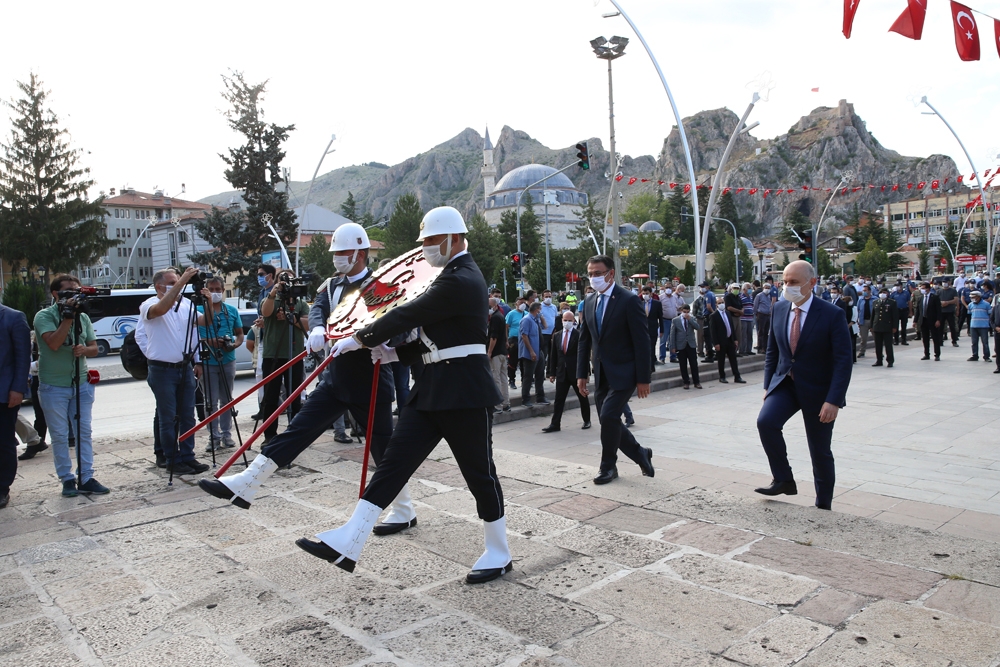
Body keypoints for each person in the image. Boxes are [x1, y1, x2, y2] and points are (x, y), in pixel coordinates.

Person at [295, 206, 512, 585]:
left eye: (431, 240)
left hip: (463, 392)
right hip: (430, 388)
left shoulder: (462, 278)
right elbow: (441, 339)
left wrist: (359, 337)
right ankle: (351, 537)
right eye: (424, 241)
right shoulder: (447, 275)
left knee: (479, 473)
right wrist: (396, 353)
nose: (426, 247)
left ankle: (498, 550)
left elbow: (411, 313)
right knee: (394, 463)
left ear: (455, 238)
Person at [201, 223, 415, 529]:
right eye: (336, 252)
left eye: (344, 252)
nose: (339, 257)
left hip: (370, 378)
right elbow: (318, 309)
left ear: (362, 253)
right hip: (336, 377)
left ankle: (404, 509)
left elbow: (399, 328)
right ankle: (247, 482)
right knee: (297, 430)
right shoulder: (331, 285)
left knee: (383, 450)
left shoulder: (381, 284)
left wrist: (364, 337)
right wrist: (316, 327)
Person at [755, 261, 852, 511]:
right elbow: (772, 352)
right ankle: (783, 479)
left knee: (819, 451)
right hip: (785, 383)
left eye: (794, 283)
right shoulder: (779, 309)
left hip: (819, 392)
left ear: (812, 283)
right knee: (766, 422)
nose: (788, 287)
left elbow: (843, 362)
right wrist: (768, 387)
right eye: (785, 282)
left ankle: (823, 505)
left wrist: (834, 400)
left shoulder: (831, 314)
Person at [576, 255, 654, 485]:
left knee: (609, 416)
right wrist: (582, 373)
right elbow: (584, 341)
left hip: (625, 372)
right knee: (608, 420)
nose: (593, 278)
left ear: (611, 274)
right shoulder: (589, 301)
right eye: (590, 274)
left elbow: (642, 341)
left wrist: (643, 378)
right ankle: (640, 453)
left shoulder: (628, 300)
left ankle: (608, 467)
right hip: (601, 372)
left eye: (598, 273)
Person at [34, 274, 110, 496]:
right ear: (56, 294)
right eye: (68, 291)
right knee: (59, 435)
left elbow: (94, 348)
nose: (74, 296)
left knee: (83, 432)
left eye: (77, 291)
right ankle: (67, 479)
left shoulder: (83, 318)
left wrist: (85, 350)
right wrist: (67, 316)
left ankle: (86, 476)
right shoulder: (44, 316)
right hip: (53, 386)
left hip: (81, 383)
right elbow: (54, 343)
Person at [138, 267, 211, 475]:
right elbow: (160, 310)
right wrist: (183, 281)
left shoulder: (186, 304)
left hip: (184, 367)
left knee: (188, 415)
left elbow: (206, 322)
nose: (177, 284)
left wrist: (210, 303)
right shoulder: (149, 305)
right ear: (159, 286)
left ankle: (188, 456)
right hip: (162, 369)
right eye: (172, 282)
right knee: (168, 416)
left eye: (178, 281)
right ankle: (171, 457)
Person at [258, 270, 310, 442]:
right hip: (272, 354)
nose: (286, 284)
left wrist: (290, 318)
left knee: (295, 396)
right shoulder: (272, 299)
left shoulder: (300, 302)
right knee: (271, 397)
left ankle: (294, 433)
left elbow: (307, 324)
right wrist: (274, 292)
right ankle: (270, 434)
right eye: (282, 279)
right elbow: (265, 312)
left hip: (294, 354)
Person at [197, 277, 244, 451]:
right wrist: (209, 341)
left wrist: (233, 344)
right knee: (210, 401)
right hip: (207, 361)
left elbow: (239, 334)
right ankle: (213, 437)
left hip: (227, 360)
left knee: (227, 400)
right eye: (211, 289)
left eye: (218, 289)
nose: (215, 292)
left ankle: (227, 434)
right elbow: (193, 336)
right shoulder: (199, 311)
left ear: (223, 290)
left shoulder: (231, 310)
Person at [0, 302, 30, 509]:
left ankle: (2, 488)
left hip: (4, 393)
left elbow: (22, 357)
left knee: (3, 442)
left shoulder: (13, 317)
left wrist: (18, 389)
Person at [542, 310, 591, 432]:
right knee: (559, 400)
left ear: (574, 321)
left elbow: (584, 356)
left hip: (576, 373)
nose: (567, 323)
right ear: (561, 320)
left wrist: (585, 373)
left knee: (582, 397)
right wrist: (551, 372)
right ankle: (555, 424)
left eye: (570, 320)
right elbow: (553, 355)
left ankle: (586, 420)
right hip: (562, 373)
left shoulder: (578, 335)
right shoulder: (557, 335)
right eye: (565, 320)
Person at [709, 303, 744, 384]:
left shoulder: (727, 313)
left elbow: (731, 326)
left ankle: (737, 376)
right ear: (716, 304)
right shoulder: (714, 315)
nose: (722, 304)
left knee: (733, 359)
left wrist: (735, 339)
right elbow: (713, 331)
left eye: (722, 302)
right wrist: (716, 343)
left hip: (730, 340)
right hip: (721, 342)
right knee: (721, 360)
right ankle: (722, 376)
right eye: (720, 303)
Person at [518, 302, 545, 407]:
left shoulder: (535, 320)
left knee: (540, 374)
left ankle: (540, 397)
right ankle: (525, 399)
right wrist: (531, 351)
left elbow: (545, 326)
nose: (540, 312)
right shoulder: (526, 320)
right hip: (530, 353)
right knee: (528, 376)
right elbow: (524, 336)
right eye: (540, 309)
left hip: (539, 351)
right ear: (537, 309)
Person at [669, 304, 701, 389]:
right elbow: (672, 334)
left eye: (687, 312)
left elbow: (697, 327)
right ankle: (686, 382)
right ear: (681, 311)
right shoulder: (675, 320)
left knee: (694, 364)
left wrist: (690, 319)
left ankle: (696, 382)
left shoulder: (692, 318)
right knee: (683, 365)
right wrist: (672, 346)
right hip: (680, 345)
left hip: (691, 344)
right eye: (684, 312)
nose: (686, 313)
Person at [487, 297, 510, 413]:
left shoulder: (495, 318)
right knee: (503, 378)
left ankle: (498, 405)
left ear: (494, 306)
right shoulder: (500, 316)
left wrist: (489, 352)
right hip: (502, 352)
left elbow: (493, 337)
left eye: (489, 307)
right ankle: (506, 403)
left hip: (496, 353)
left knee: (496, 379)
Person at [913, 281, 943, 361]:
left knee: (935, 338)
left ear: (928, 289)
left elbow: (939, 310)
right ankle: (926, 354)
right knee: (925, 338)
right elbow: (918, 311)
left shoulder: (935, 297)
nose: (922, 290)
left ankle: (937, 354)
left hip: (933, 320)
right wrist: (915, 321)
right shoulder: (920, 298)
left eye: (923, 288)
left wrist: (938, 320)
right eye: (921, 288)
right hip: (923, 320)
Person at [869, 287, 897, 368]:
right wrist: (871, 326)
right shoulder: (875, 302)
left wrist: (895, 326)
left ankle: (890, 361)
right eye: (881, 292)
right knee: (878, 345)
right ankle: (879, 360)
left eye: (884, 292)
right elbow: (873, 315)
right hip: (877, 326)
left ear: (887, 293)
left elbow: (895, 316)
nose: (883, 294)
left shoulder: (892, 302)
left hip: (887, 326)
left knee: (888, 345)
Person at [659, 285, 684, 363]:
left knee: (672, 340)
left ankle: (673, 357)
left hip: (673, 320)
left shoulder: (674, 298)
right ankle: (662, 357)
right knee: (663, 340)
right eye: (667, 288)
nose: (668, 289)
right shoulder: (661, 297)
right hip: (665, 320)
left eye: (670, 288)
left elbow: (676, 307)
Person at [505, 298, 525, 389]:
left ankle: (524, 380)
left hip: (524, 340)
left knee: (523, 361)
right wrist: (506, 340)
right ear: (516, 303)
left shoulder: (527, 314)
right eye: (520, 302)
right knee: (513, 361)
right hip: (514, 340)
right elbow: (506, 327)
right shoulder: (511, 314)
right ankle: (512, 380)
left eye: (524, 302)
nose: (522, 304)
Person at [641, 286, 662, 372]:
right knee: (644, 349)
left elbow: (660, 317)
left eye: (647, 293)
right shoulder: (640, 303)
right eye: (643, 293)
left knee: (652, 348)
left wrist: (662, 330)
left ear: (651, 294)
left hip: (653, 329)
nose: (645, 295)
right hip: (643, 330)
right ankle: (646, 366)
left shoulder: (657, 303)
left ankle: (651, 366)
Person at [967, 291, 991, 362]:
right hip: (973, 326)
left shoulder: (986, 304)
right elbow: (969, 314)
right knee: (974, 342)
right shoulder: (970, 305)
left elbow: (990, 314)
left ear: (978, 297)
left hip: (984, 326)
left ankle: (986, 356)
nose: (972, 299)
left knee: (985, 343)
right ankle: (975, 355)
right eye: (971, 297)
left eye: (974, 297)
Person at [698, 282, 717, 362]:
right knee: (712, 335)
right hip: (710, 316)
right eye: (701, 286)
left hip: (708, 316)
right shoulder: (712, 294)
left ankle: (709, 355)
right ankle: (714, 353)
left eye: (703, 286)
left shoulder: (707, 295)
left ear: (708, 286)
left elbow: (708, 307)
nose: (702, 288)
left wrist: (713, 314)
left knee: (707, 336)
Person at [753, 280, 774, 355]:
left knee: (766, 332)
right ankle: (760, 347)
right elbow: (755, 306)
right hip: (761, 315)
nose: (767, 289)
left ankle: (765, 347)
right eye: (766, 288)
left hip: (768, 315)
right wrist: (756, 314)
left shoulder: (769, 296)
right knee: (761, 332)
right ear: (763, 288)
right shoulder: (759, 295)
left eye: (768, 288)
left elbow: (771, 305)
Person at [938, 279, 960, 346]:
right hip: (941, 311)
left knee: (952, 326)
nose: (945, 283)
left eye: (946, 282)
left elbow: (956, 300)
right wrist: (941, 303)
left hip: (950, 311)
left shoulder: (953, 291)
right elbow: (935, 300)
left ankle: (954, 341)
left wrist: (948, 302)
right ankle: (940, 341)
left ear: (949, 283)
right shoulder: (939, 291)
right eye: (943, 282)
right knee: (940, 327)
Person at [855, 285, 874, 358]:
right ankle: (862, 351)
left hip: (872, 321)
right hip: (863, 321)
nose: (864, 292)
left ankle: (879, 352)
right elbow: (858, 310)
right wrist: (857, 321)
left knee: (877, 338)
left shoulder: (875, 299)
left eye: (865, 290)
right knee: (863, 339)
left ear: (869, 291)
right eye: (863, 290)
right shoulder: (860, 299)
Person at [739, 283, 755, 355]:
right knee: (743, 335)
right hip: (743, 318)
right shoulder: (741, 297)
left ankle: (749, 349)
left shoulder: (751, 297)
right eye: (748, 288)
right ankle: (743, 350)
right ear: (744, 289)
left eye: (750, 288)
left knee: (749, 335)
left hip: (750, 318)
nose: (750, 289)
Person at [991, 293, 1000, 374]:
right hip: (997, 332)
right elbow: (991, 320)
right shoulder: (995, 308)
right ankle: (998, 367)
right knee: (998, 350)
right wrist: (995, 327)